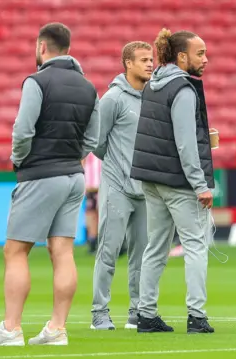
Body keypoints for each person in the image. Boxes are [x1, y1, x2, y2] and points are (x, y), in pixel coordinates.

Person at [0, 22, 100, 347]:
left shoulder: (37, 81)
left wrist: (20, 159)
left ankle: (11, 328)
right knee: (62, 251)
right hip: (74, 176)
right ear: (68, 48)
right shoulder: (89, 87)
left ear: (42, 47)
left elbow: (23, 129)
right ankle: (57, 329)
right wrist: (73, 157)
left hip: (41, 174)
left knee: (16, 250)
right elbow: (95, 138)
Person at [130, 28, 215, 334]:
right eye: (200, 53)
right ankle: (196, 315)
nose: (205, 59)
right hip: (178, 181)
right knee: (195, 246)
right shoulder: (183, 89)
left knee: (155, 247)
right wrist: (200, 184)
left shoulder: (154, 83)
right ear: (182, 56)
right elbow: (185, 143)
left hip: (151, 177)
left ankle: (146, 314)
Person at [90, 41, 154, 331]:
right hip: (116, 187)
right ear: (128, 63)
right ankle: (99, 312)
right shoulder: (113, 99)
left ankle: (137, 312)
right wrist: (118, 165)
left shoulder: (154, 98)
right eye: (143, 59)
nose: (150, 64)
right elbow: (97, 143)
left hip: (146, 189)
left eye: (151, 59)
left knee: (143, 255)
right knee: (108, 251)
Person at [83, 153, 102, 254]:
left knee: (102, 214)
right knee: (91, 215)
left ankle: (102, 242)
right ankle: (93, 242)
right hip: (90, 187)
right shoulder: (87, 149)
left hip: (103, 185)